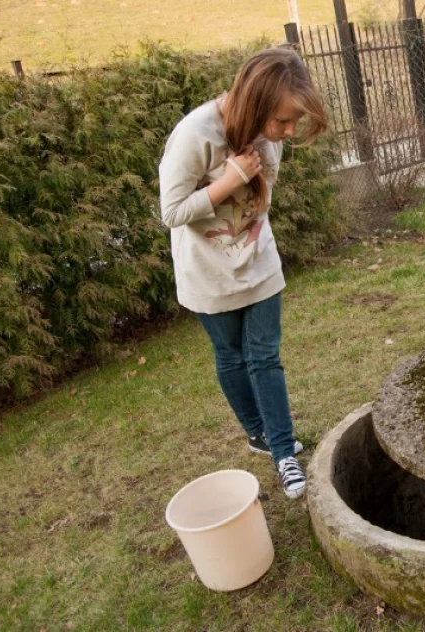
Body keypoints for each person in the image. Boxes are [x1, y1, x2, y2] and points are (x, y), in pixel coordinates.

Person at [158, 48, 327, 499]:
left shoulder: (270, 137)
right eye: (283, 121)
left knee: (265, 356)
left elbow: (261, 201)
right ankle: (258, 432)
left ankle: (283, 453)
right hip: (208, 271)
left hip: (258, 259)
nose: (289, 133)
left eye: (294, 122)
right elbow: (171, 212)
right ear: (254, 104)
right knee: (231, 355)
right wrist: (228, 181)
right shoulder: (195, 134)